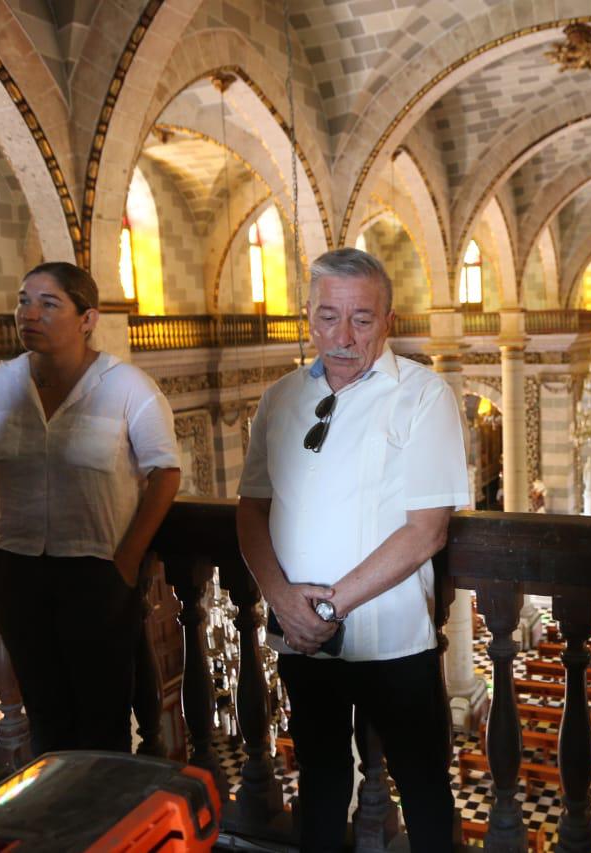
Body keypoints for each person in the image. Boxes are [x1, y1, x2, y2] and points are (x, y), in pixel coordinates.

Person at [236, 248, 468, 852]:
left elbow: (427, 531)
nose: (342, 336)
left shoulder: (423, 395)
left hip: (393, 639)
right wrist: (281, 599)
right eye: (328, 316)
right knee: (319, 778)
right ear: (307, 317)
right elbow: (251, 509)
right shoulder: (279, 398)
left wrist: (327, 609)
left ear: (388, 319)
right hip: (299, 634)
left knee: (421, 787)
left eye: (362, 319)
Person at [0, 262, 180, 756]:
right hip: (16, 566)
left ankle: (104, 827)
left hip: (95, 572)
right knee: (45, 715)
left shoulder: (126, 386)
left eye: (48, 303)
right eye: (24, 300)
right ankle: (63, 825)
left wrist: (126, 561)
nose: (29, 313)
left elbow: (165, 473)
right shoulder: (2, 383)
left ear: (87, 319)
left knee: (102, 719)